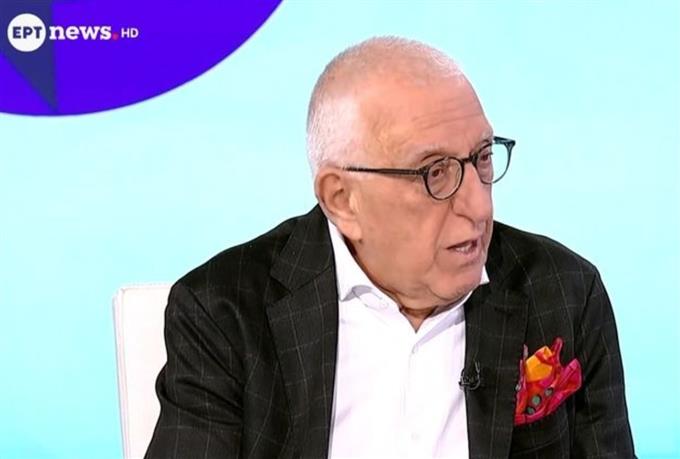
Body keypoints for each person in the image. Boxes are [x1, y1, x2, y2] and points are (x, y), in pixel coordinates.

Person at [145, 36, 635, 458]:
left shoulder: (564, 292)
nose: (478, 205)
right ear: (343, 200)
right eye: (435, 172)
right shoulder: (225, 313)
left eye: (483, 158)